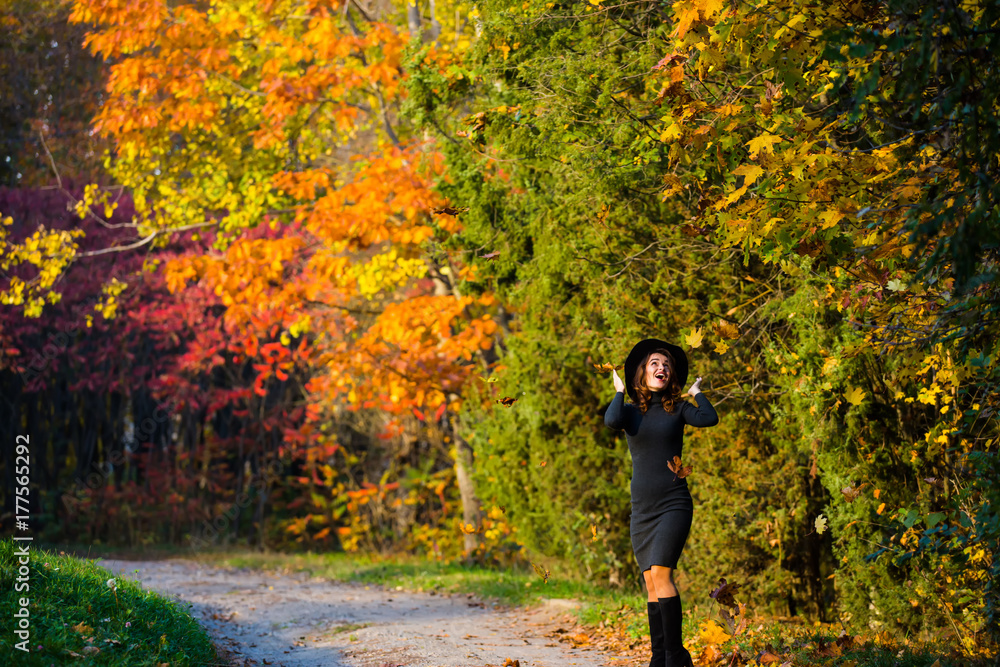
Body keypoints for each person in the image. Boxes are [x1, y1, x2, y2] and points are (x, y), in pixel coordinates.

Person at [604, 339, 719, 667]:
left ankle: (674, 657)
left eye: (666, 365)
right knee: (652, 582)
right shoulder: (629, 412)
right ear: (642, 372)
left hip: (673, 504)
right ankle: (659, 658)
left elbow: (708, 419)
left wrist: (696, 392)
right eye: (654, 363)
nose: (661, 368)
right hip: (642, 510)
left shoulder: (678, 408)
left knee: (663, 574)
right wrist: (618, 392)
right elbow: (611, 422)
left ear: (672, 377)